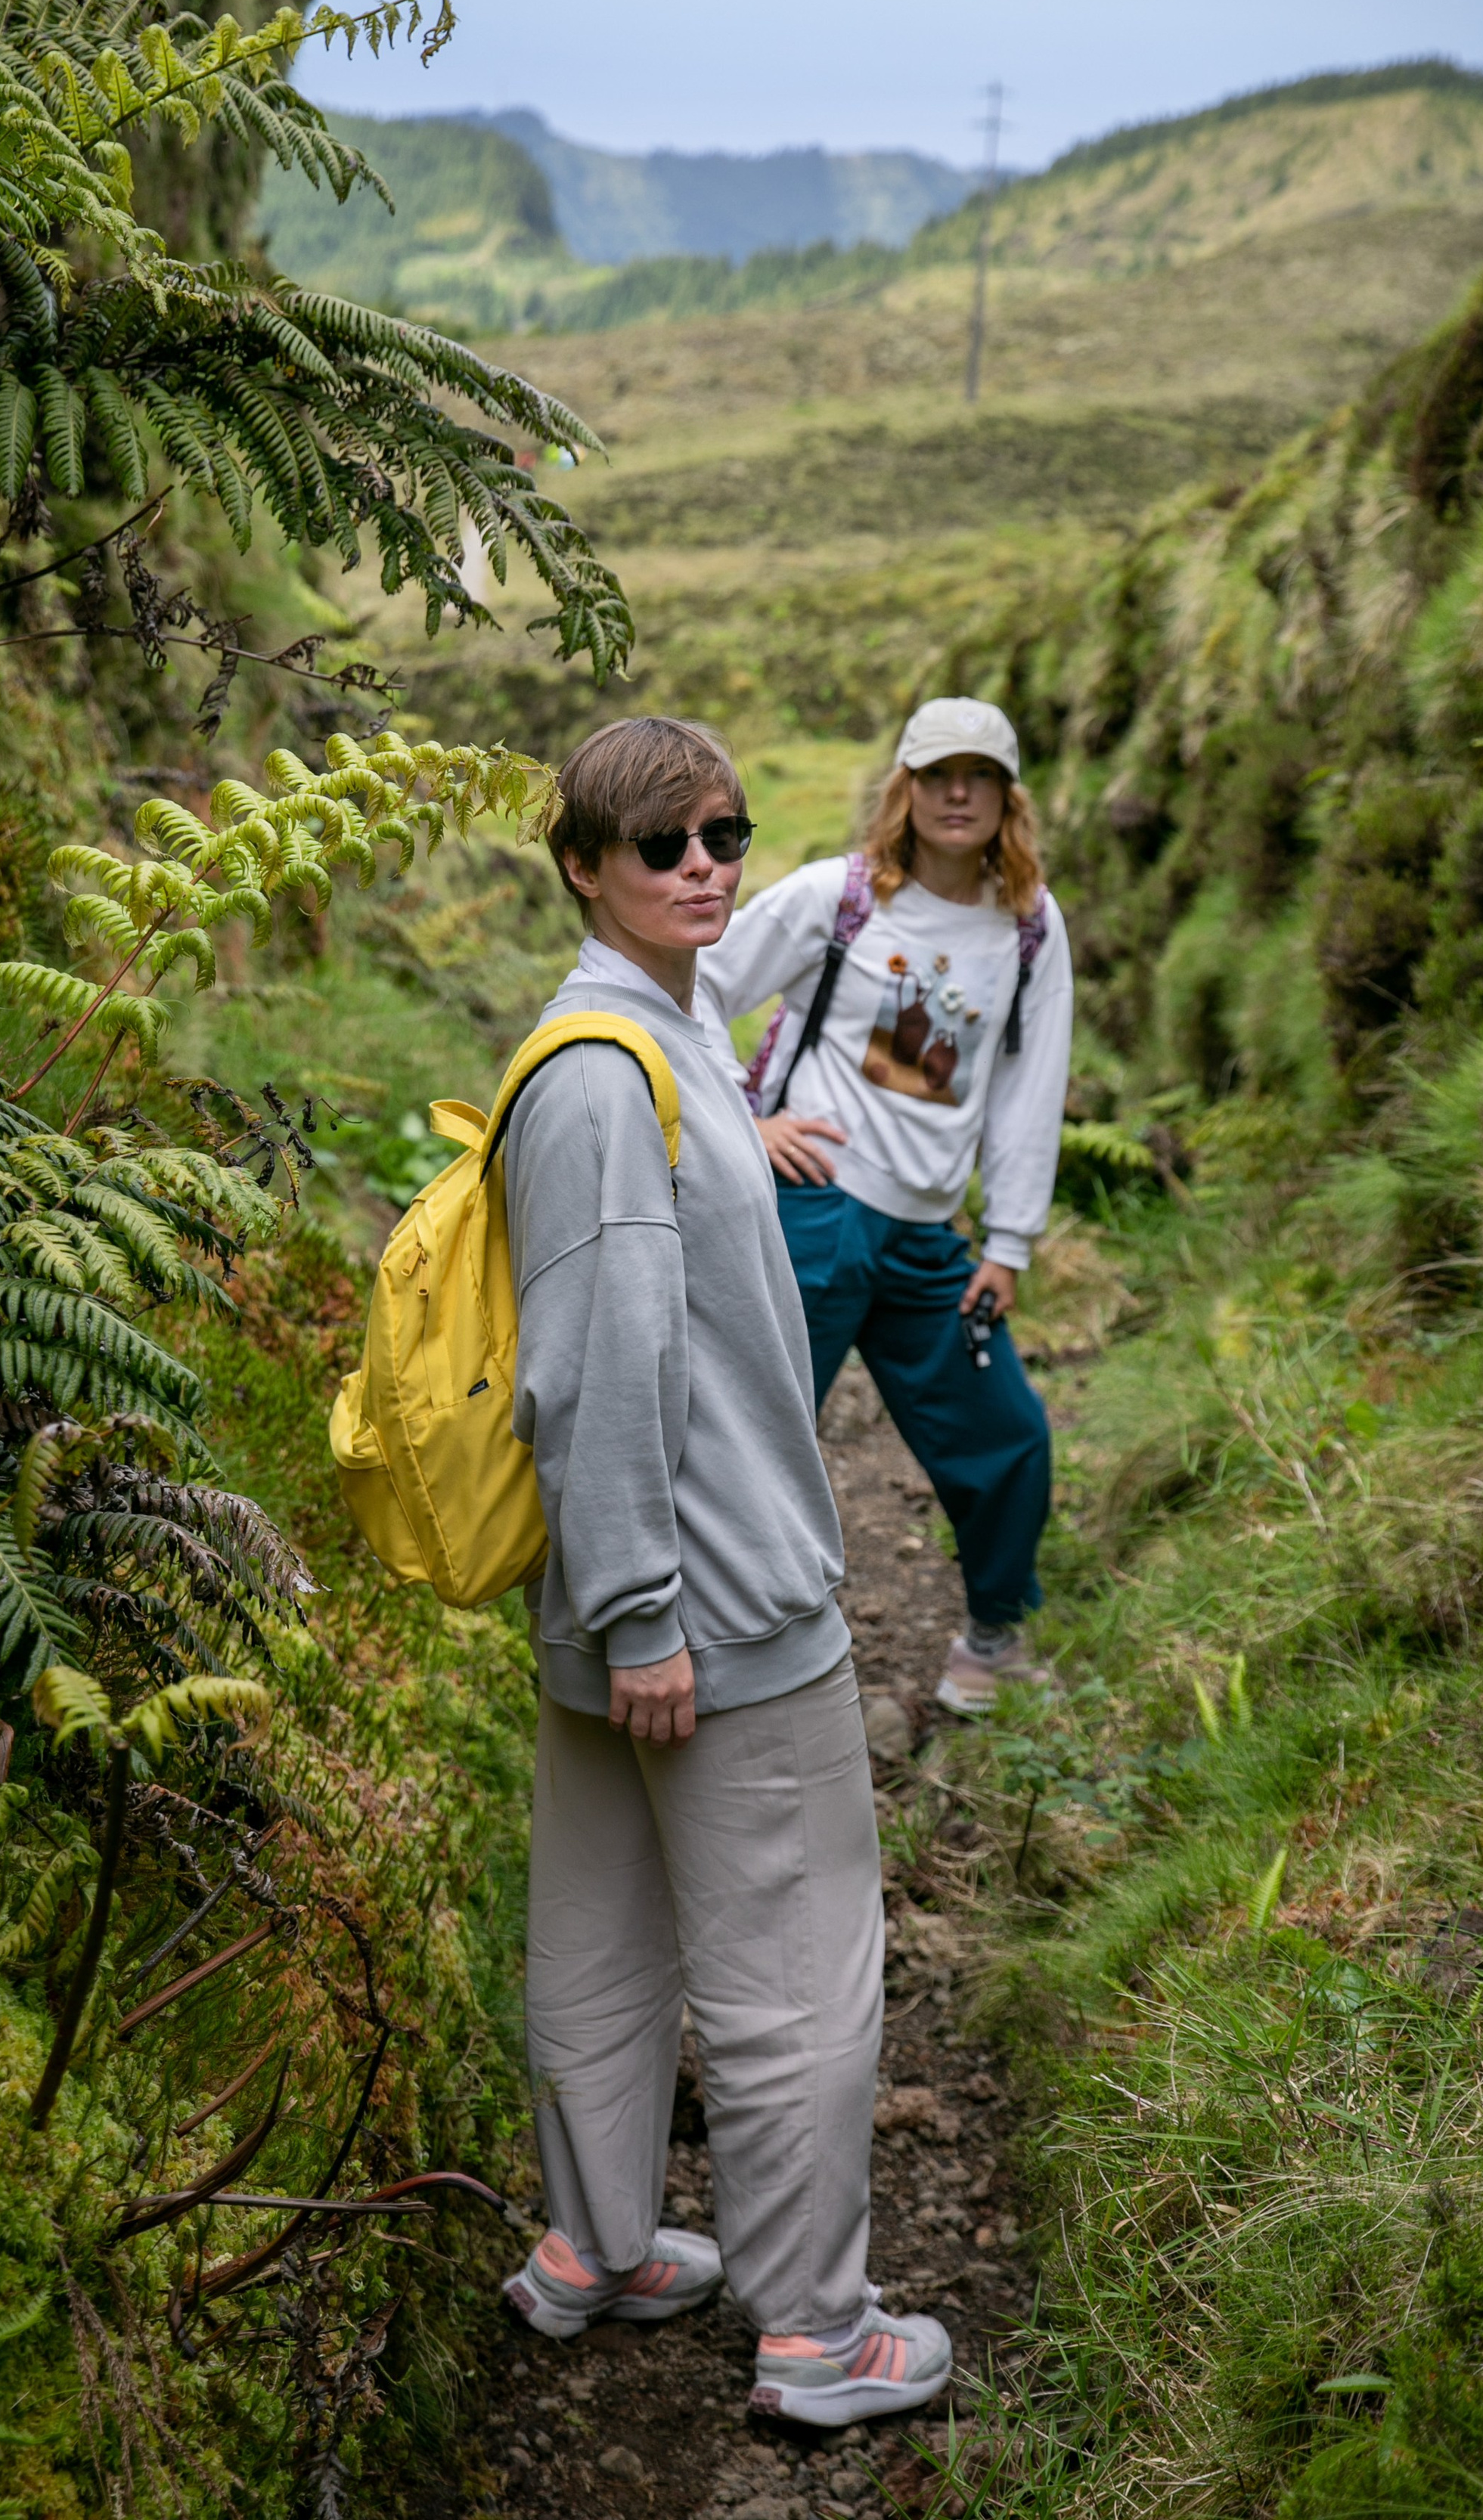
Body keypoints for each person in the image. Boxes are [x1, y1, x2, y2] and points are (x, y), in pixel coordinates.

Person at [497, 714, 952, 2429]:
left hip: (617, 1613)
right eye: (658, 844)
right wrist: (647, 1615)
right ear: (582, 868)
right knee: (791, 1969)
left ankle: (598, 2248)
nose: (702, 865)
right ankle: (816, 2335)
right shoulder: (618, 1079)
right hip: (705, 1616)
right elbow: (596, 1365)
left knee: (603, 1942)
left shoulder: (643, 1042)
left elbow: (636, 1256)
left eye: (722, 834)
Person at [697, 697, 1072, 1716]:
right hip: (813, 1209)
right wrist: (744, 1119)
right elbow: (695, 986)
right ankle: (708, 1650)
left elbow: (1032, 1091)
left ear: (1006, 798)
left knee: (1009, 1436)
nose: (958, 793)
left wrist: (1009, 1243)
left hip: (926, 1240)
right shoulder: (840, 896)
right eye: (937, 773)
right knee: (753, 1436)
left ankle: (991, 1643)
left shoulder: (1030, 927)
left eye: (980, 776)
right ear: (905, 788)